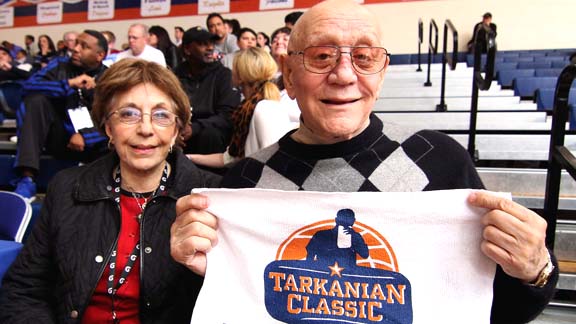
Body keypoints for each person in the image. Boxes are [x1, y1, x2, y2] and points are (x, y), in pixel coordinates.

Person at [170, 1, 558, 323]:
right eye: (321, 57)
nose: (343, 75)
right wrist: (196, 270)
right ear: (288, 74)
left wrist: (535, 269)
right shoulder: (244, 185)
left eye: (363, 57)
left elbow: (496, 308)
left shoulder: (440, 162)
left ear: (382, 72)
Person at [0, 58, 220, 323]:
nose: (146, 129)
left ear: (176, 131)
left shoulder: (211, 197)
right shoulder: (66, 188)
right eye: (128, 114)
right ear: (108, 128)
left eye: (161, 115)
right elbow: (25, 288)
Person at [12, 30, 110, 200]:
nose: (76, 49)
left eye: (84, 46)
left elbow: (116, 118)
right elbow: (27, 87)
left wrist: (86, 136)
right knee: (35, 100)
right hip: (61, 136)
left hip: (94, 143)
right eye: (76, 43)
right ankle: (26, 179)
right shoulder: (59, 65)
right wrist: (67, 84)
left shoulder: (109, 77)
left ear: (99, 55)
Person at [187, 47, 293, 168]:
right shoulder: (247, 108)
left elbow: (273, 163)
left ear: (240, 75)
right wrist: (189, 158)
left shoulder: (265, 108)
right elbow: (229, 158)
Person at [173, 26, 240, 155]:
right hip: (180, 130)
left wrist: (195, 128)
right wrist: (175, 130)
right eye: (202, 44)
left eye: (211, 43)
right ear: (187, 49)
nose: (210, 48)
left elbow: (228, 115)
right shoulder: (174, 76)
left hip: (209, 134)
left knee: (210, 135)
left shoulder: (224, 75)